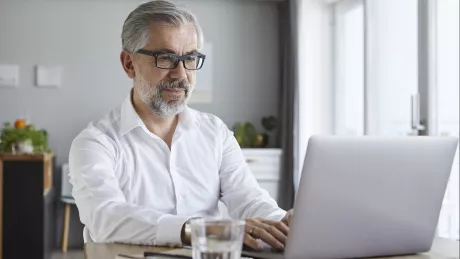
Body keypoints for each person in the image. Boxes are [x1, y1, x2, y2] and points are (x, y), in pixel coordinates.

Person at [69, 0, 293, 250]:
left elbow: (248, 199)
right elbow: (105, 217)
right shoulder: (95, 143)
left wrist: (282, 222)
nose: (180, 74)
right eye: (165, 58)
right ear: (129, 64)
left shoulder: (215, 132)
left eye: (190, 58)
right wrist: (194, 230)